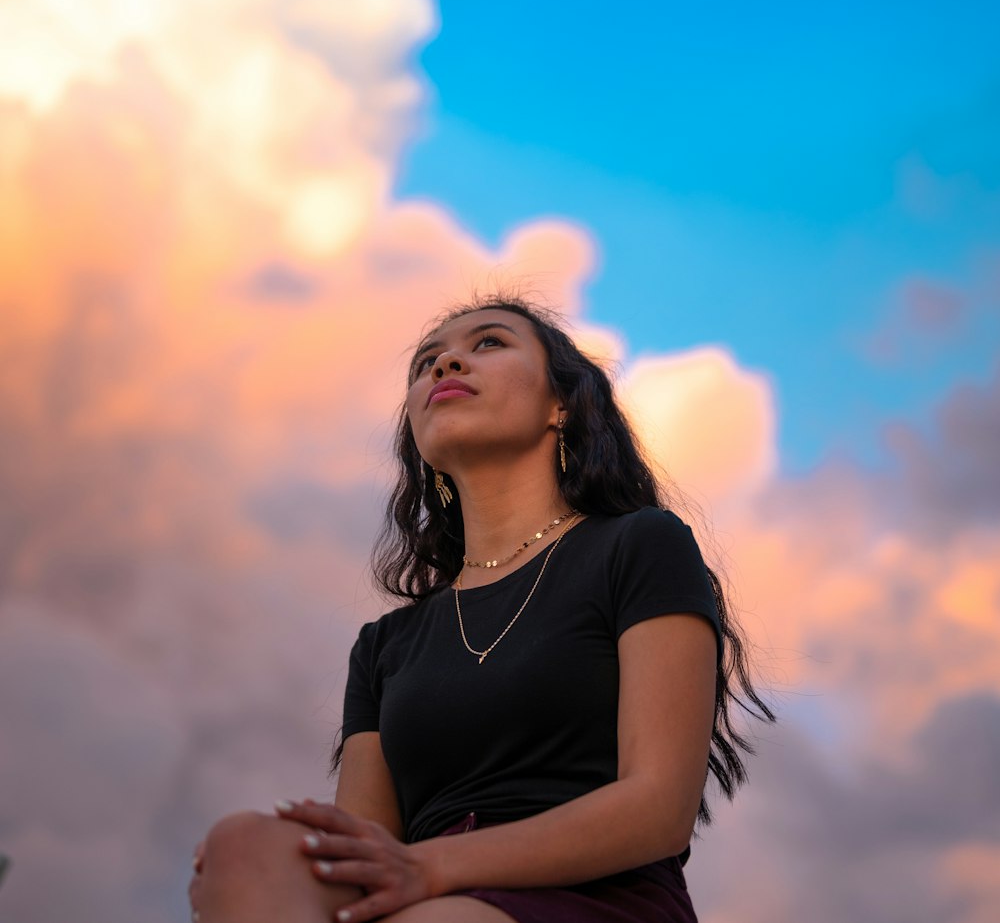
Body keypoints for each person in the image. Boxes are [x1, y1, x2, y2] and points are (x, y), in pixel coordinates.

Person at [189, 296, 773, 923]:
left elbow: (659, 808)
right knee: (243, 845)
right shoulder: (385, 645)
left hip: (591, 896)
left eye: (489, 343)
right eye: (425, 363)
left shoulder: (640, 546)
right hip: (424, 897)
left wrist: (432, 867)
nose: (445, 365)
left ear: (563, 404)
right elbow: (361, 852)